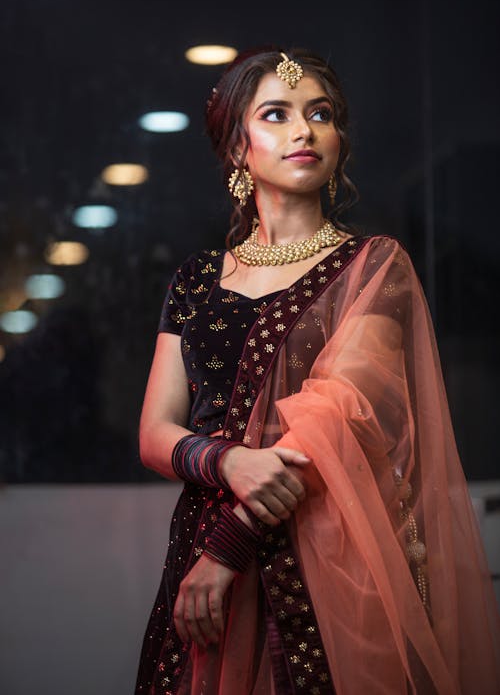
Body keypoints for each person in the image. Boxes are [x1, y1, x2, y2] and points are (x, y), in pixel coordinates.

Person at [135, 47, 500, 695]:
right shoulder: (195, 280)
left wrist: (227, 547)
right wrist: (227, 463)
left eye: (320, 114)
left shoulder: (373, 266)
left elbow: (336, 417)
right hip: (204, 550)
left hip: (326, 554)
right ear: (237, 149)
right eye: (276, 114)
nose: (304, 130)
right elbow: (155, 432)